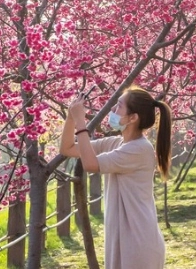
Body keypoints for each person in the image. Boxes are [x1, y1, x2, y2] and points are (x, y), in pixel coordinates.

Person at [60, 86, 172, 269]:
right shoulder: (116, 143)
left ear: (133, 118)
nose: (112, 110)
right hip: (122, 238)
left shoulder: (139, 149)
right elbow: (67, 149)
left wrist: (81, 121)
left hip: (138, 241)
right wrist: (72, 117)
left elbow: (90, 165)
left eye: (119, 106)